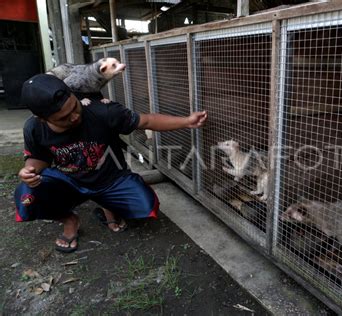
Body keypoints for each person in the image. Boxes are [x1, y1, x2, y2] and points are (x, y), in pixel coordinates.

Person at [14, 74, 207, 253]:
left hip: (110, 179)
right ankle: (70, 220)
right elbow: (37, 159)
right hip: (70, 182)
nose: (74, 117)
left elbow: (147, 121)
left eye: (74, 107)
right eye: (64, 118)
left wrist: (186, 121)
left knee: (146, 206)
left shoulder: (102, 110)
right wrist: (29, 171)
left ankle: (107, 203)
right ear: (42, 119)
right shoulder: (33, 128)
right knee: (27, 196)